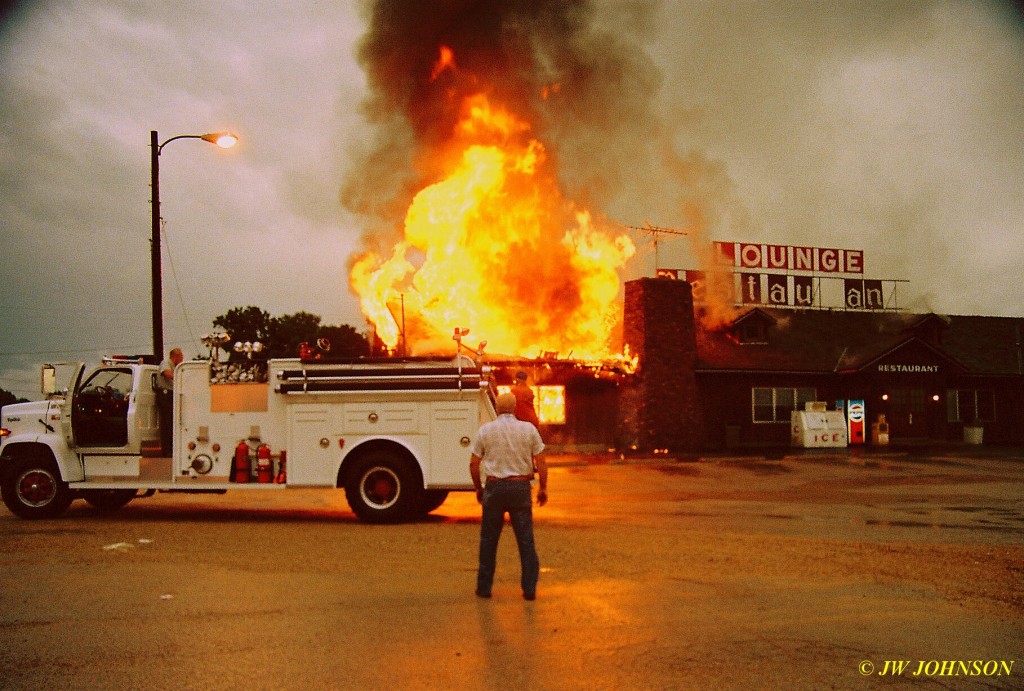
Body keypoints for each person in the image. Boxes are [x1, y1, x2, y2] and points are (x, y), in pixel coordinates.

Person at [470, 392, 548, 600]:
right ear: (514, 408)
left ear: (496, 408)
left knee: (488, 540)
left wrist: (479, 488)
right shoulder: (528, 429)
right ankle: (529, 589)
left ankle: (484, 588)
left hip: (494, 489)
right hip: (520, 488)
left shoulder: (485, 431)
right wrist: (543, 488)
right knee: (525, 541)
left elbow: (474, 463)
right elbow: (541, 460)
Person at [156, 348, 184, 456]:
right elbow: (166, 373)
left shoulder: (176, 367)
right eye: (181, 357)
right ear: (175, 356)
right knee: (167, 423)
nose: (182, 360)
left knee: (172, 423)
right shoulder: (166, 363)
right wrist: (178, 377)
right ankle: (166, 450)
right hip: (165, 394)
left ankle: (172, 449)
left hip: (171, 395)